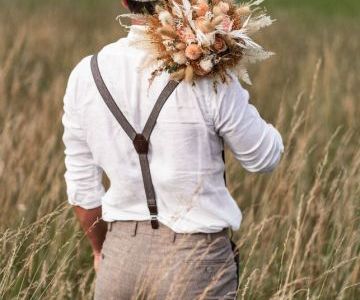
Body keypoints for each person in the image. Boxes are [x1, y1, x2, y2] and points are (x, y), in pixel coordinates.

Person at [61, 0, 284, 298]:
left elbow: (82, 191)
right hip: (196, 260)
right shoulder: (208, 69)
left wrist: (102, 250)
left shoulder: (85, 75)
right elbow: (263, 157)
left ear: (124, 2)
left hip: (120, 258)